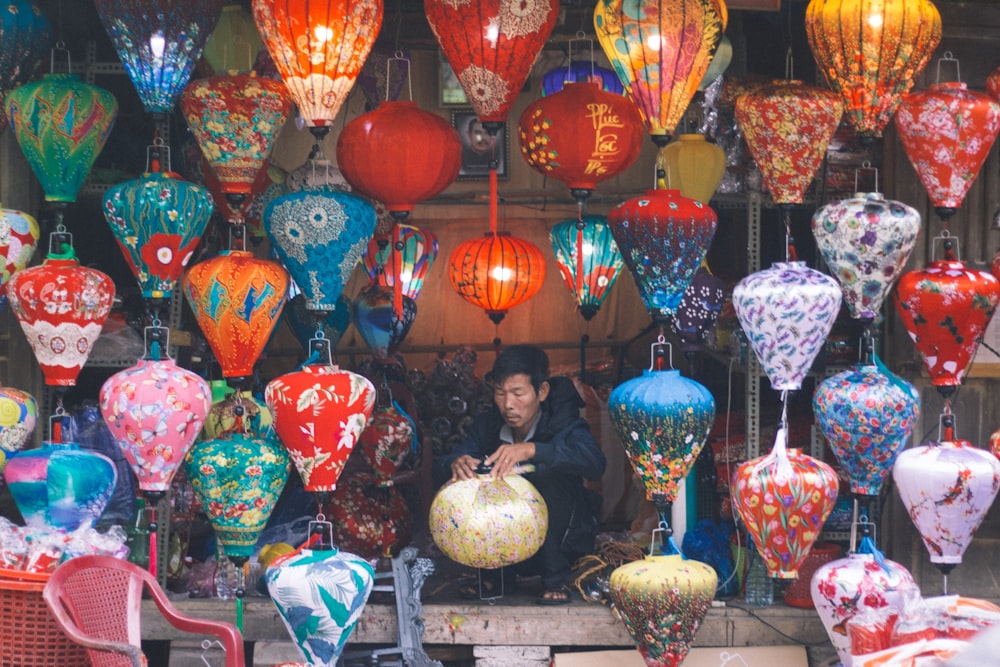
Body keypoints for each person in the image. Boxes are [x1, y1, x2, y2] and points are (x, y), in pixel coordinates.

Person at [433, 345, 607, 604]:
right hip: (510, 550)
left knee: (543, 476)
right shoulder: (489, 424)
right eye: (500, 394)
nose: (508, 405)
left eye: (518, 393)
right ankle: (497, 576)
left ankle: (555, 578)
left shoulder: (564, 422)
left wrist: (533, 450)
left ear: (542, 391)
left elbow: (595, 462)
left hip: (565, 542)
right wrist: (456, 463)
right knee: (476, 485)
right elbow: (446, 461)